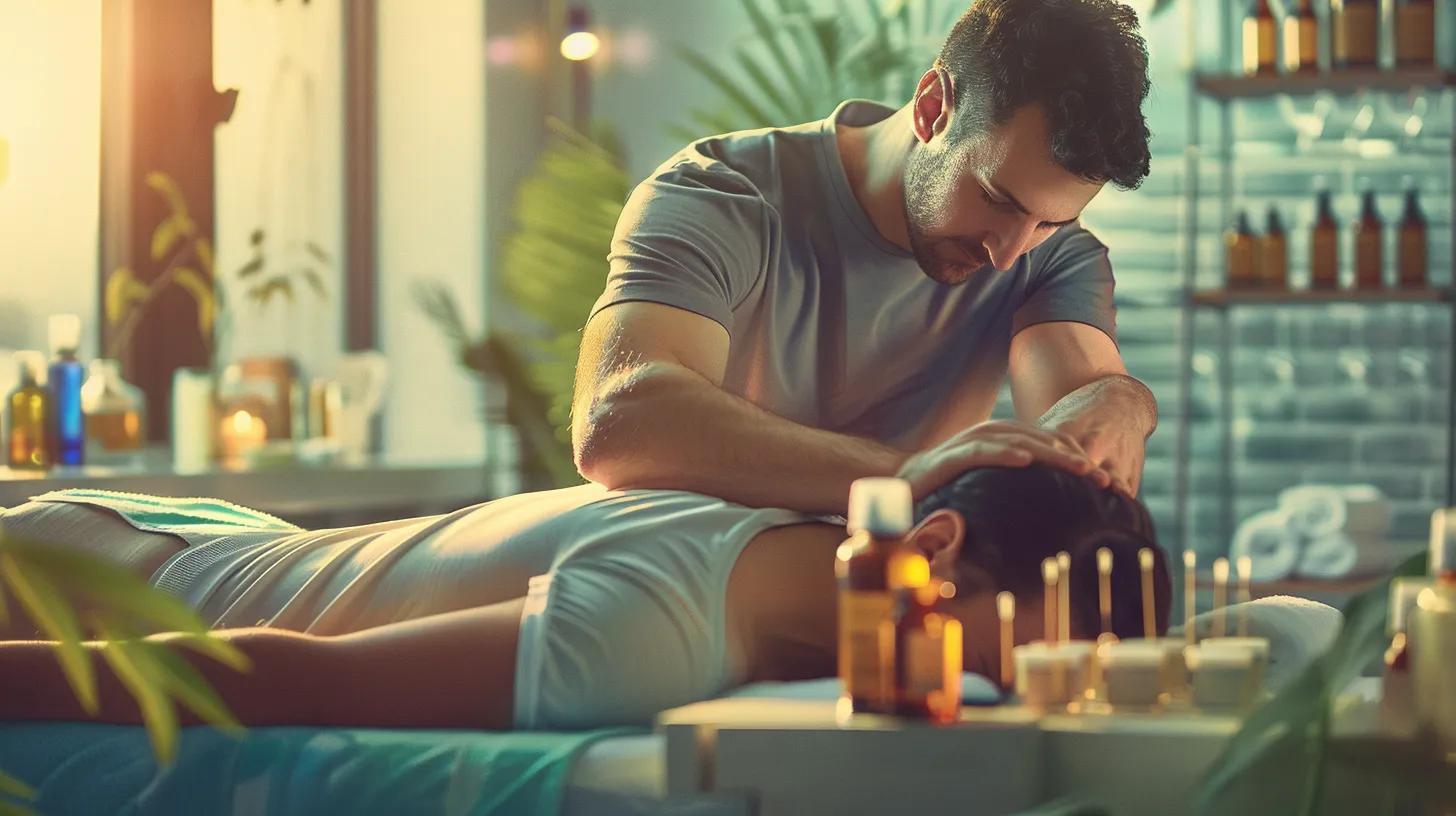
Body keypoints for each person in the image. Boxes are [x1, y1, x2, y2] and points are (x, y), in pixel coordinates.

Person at [0, 465, 1168, 731]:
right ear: (934, 548)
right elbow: (281, 677)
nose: (986, 693)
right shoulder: (646, 638)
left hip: (175, 535)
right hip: (76, 591)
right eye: (1005, 656)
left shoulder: (794, 534)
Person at [572, 0, 1159, 515]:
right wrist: (904, 477)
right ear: (933, 109)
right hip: (690, 574)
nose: (1008, 255)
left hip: (897, 596)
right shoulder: (721, 198)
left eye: (1051, 222)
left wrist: (1121, 400)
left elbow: (1071, 428)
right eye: (995, 198)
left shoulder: (1053, 257)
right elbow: (620, 420)